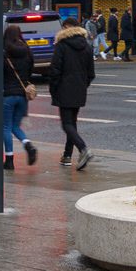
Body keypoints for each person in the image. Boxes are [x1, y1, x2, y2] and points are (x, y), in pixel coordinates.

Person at [47, 17, 96, 170]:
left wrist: (53, 88)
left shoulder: (61, 46)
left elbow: (55, 70)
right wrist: (83, 85)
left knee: (66, 124)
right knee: (72, 123)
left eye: (63, 27)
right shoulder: (86, 46)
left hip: (63, 88)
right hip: (80, 89)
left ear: (67, 27)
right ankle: (67, 156)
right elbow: (91, 73)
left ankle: (83, 149)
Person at [0, 24, 38, 169]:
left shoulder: (4, 52)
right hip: (23, 95)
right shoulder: (27, 50)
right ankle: (28, 144)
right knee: (15, 126)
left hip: (8, 94)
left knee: (6, 127)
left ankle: (9, 159)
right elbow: (30, 70)